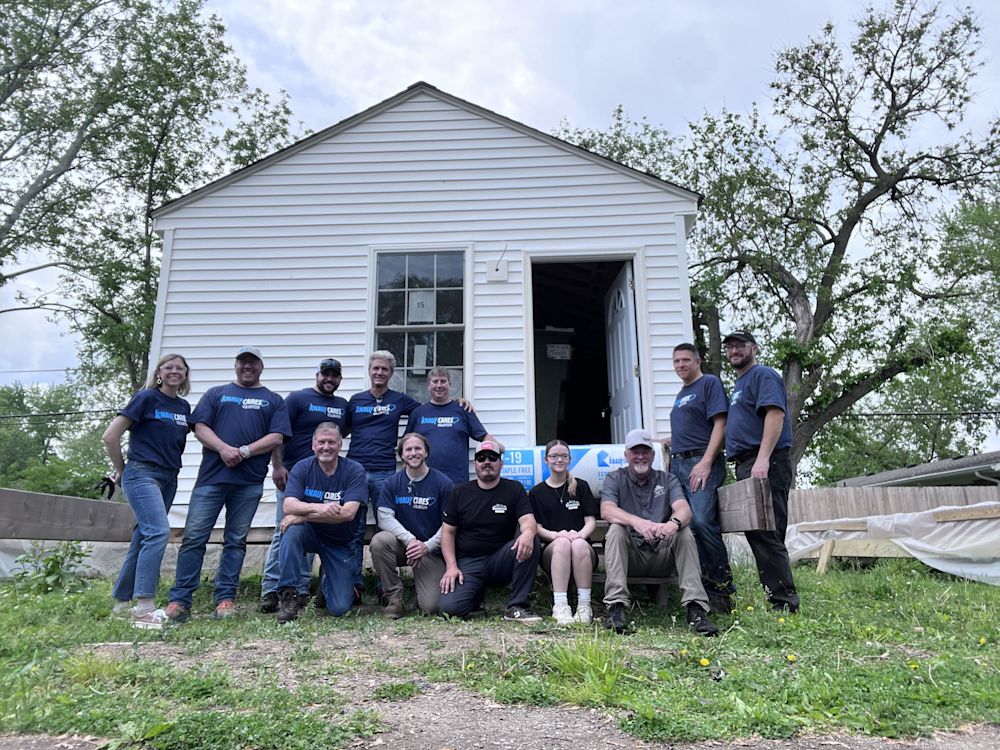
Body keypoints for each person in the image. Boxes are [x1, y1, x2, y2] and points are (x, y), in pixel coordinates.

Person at [165, 346, 291, 621]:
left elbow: (277, 437)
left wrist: (244, 452)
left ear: (261, 367)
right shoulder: (216, 394)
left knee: (235, 541)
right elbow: (199, 427)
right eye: (243, 362)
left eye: (253, 362)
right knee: (194, 538)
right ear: (236, 366)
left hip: (248, 482)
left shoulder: (272, 400)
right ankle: (180, 601)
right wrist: (223, 449)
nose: (248, 367)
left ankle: (225, 599)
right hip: (211, 479)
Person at [600, 428, 718, 637]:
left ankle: (696, 609)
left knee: (684, 532)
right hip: (631, 557)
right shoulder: (614, 478)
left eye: (645, 451)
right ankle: (616, 608)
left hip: (661, 556)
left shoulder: (667, 479)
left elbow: (684, 509)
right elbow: (607, 510)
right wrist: (637, 522)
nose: (640, 456)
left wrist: (672, 523)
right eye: (635, 451)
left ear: (653, 455)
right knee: (616, 529)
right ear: (626, 454)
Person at [103, 353, 192, 630]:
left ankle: (120, 603)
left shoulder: (184, 407)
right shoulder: (145, 398)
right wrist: (123, 470)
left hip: (169, 477)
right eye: (169, 367)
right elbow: (110, 436)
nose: (175, 371)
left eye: (180, 368)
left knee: (143, 536)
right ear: (159, 373)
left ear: (185, 375)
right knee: (158, 532)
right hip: (142, 473)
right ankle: (144, 608)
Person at [260, 358, 349, 613]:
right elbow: (279, 433)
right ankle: (271, 589)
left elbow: (342, 432)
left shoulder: (342, 406)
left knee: (311, 528)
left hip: (321, 477)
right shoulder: (298, 399)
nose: (329, 379)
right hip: (293, 476)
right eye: (325, 374)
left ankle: (299, 590)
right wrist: (277, 466)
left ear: (339, 379)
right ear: (317, 375)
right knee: (285, 529)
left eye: (334, 376)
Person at [722, 331, 800, 612]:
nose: (734, 351)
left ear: (753, 348)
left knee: (768, 529)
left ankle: (785, 603)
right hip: (746, 462)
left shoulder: (763, 375)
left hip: (766, 461)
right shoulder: (739, 384)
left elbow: (775, 415)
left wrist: (763, 459)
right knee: (758, 530)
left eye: (740, 346)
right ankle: (777, 598)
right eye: (729, 347)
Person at [345, 351, 422, 599]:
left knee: (384, 530)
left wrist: (406, 438)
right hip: (355, 471)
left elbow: (423, 412)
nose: (379, 373)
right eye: (376, 368)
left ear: (391, 373)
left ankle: (384, 585)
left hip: (384, 472)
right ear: (369, 371)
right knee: (353, 529)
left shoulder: (399, 400)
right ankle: (354, 584)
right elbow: (342, 429)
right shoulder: (355, 401)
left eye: (385, 369)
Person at [438, 441, 542, 624]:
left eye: (493, 458)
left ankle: (517, 606)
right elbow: (448, 532)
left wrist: (527, 533)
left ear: (501, 463)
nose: (487, 462)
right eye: (481, 458)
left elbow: (528, 520)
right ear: (475, 464)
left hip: (500, 560)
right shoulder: (459, 492)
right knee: (450, 610)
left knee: (531, 540)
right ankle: (475, 595)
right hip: (468, 563)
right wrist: (451, 566)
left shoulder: (514, 489)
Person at [273, 423, 367, 623]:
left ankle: (327, 582)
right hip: (310, 533)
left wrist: (304, 514)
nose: (326, 447)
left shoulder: (354, 470)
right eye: (321, 442)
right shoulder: (302, 467)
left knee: (340, 608)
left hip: (340, 541)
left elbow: (348, 513)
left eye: (331, 442)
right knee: (291, 530)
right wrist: (321, 508)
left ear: (340, 444)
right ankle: (288, 596)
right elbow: (289, 506)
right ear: (313, 445)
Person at [669, 343, 735, 614]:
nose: (680, 365)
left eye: (685, 360)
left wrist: (707, 462)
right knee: (686, 525)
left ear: (697, 361)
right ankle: (697, 589)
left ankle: (721, 589)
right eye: (676, 361)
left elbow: (720, 424)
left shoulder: (709, 383)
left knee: (703, 521)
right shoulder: (681, 394)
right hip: (678, 463)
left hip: (700, 462)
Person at [370, 433, 452, 618]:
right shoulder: (392, 483)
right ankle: (394, 598)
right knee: (379, 541)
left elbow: (449, 524)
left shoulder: (442, 483)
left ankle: (420, 593)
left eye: (418, 448)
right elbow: (384, 518)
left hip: (430, 550)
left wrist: (426, 546)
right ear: (402, 455)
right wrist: (411, 540)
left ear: (426, 453)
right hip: (403, 546)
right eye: (408, 449)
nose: (413, 453)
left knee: (431, 607)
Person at [528, 439, 598, 624]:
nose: (559, 460)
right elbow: (535, 526)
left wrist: (581, 534)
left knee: (578, 544)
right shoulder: (537, 492)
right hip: (553, 550)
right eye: (554, 456)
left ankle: (584, 606)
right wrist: (555, 535)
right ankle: (560, 606)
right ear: (546, 460)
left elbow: (591, 521)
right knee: (562, 543)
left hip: (581, 548)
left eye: (563, 456)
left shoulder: (580, 486)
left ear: (569, 460)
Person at [404, 367, 495, 484]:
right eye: (435, 381)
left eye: (443, 381)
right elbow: (405, 446)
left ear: (449, 385)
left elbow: (483, 436)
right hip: (424, 480)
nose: (439, 385)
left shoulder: (463, 409)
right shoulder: (418, 413)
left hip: (457, 480)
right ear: (428, 385)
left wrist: (498, 448)